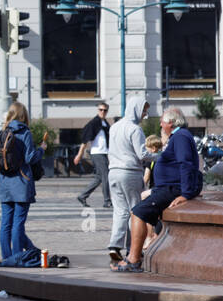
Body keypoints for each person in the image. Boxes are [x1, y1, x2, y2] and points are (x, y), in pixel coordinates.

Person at [114, 107, 202, 272]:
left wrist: (186, 194)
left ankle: (133, 259)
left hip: (173, 188)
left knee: (138, 212)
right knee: (138, 209)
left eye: (162, 121)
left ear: (170, 122)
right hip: (167, 187)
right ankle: (136, 255)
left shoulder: (181, 137)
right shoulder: (178, 136)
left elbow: (186, 164)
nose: (160, 124)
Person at [0, 102, 46, 265]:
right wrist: (42, 149)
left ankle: (6, 257)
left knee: (5, 223)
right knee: (18, 223)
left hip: (4, 183)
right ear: (23, 116)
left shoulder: (3, 131)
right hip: (21, 183)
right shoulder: (25, 132)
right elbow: (30, 158)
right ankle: (17, 258)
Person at [106, 98, 149, 266]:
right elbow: (143, 155)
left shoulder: (114, 127)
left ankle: (114, 246)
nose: (145, 114)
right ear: (136, 109)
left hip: (113, 172)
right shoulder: (135, 129)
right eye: (144, 110)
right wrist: (162, 156)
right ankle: (133, 249)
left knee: (120, 211)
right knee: (135, 212)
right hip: (130, 172)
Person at [75, 101, 112, 208]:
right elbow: (85, 140)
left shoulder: (105, 123)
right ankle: (107, 201)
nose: (103, 112)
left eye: (105, 110)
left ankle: (82, 196)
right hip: (97, 153)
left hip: (104, 152)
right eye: (100, 110)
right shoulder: (94, 123)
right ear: (98, 110)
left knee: (99, 177)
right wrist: (79, 154)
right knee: (106, 175)